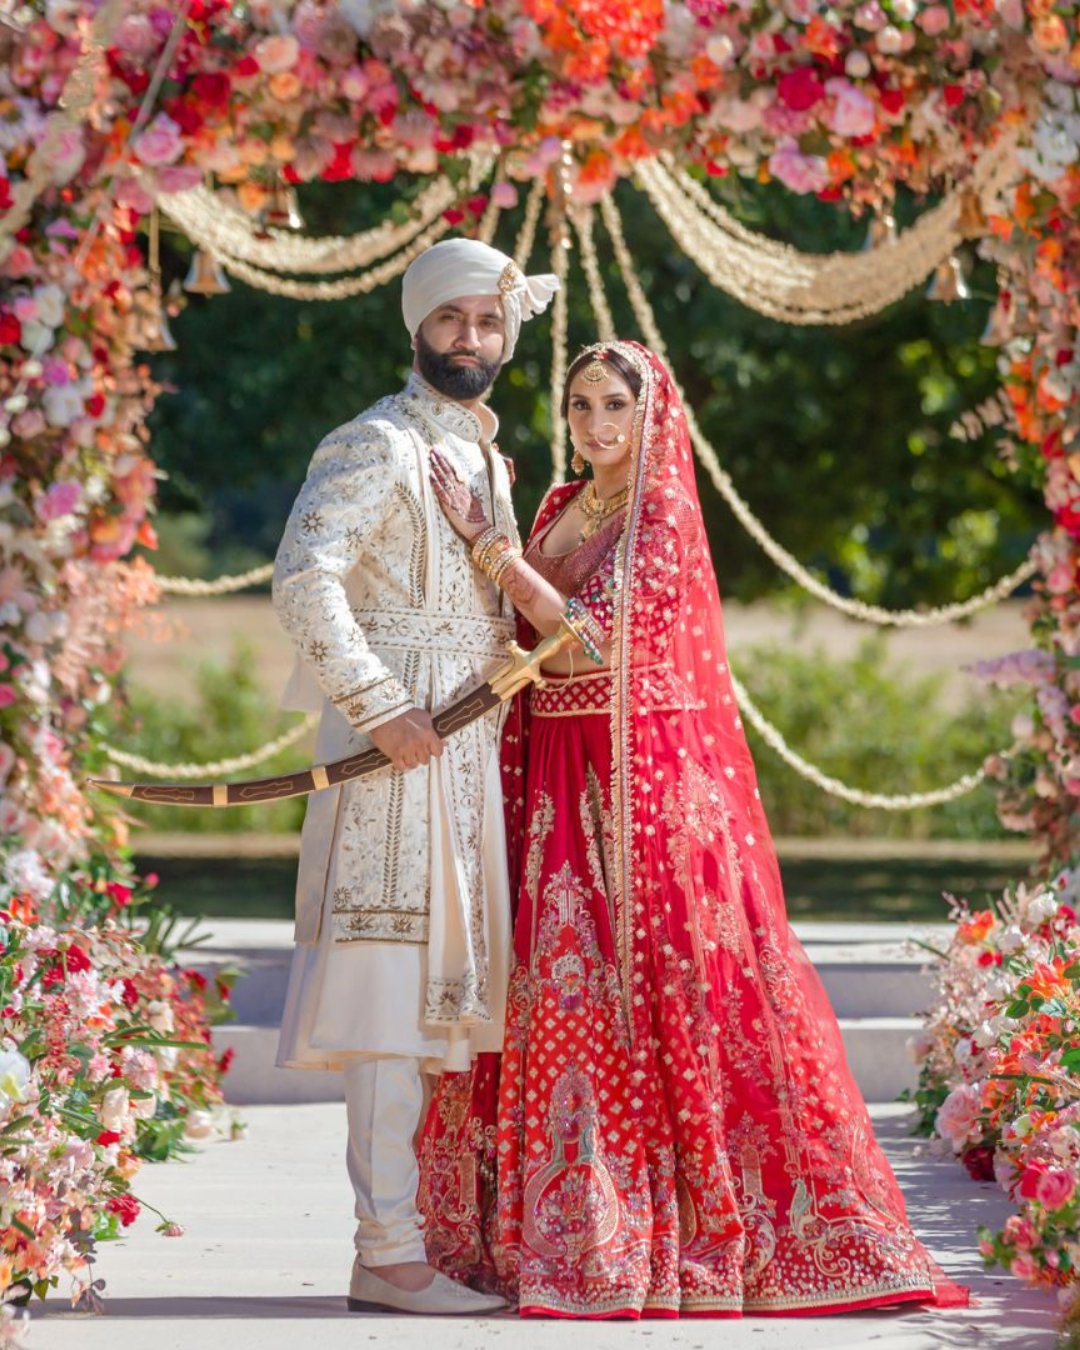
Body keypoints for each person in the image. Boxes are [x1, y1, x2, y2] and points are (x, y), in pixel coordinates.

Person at [418, 340, 970, 1318]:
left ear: (652, 414)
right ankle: (566, 1233)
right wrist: (497, 552)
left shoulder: (662, 511)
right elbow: (524, 637)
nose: (596, 424)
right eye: (581, 404)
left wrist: (488, 546)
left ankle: (667, 1230)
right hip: (555, 771)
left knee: (661, 995)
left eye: (615, 405)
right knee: (559, 991)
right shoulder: (560, 504)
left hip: (638, 783)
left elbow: (587, 638)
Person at [271, 238, 557, 1315]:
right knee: (387, 995)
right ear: (416, 326)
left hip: (468, 752)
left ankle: (405, 1242)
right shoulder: (377, 442)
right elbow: (304, 579)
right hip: (396, 754)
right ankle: (387, 1253)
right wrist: (377, 705)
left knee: (436, 1007)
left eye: (488, 323)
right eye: (450, 319)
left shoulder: (487, 459)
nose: (469, 339)